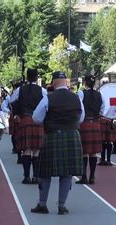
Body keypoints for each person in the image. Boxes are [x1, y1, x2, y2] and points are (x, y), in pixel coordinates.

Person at [30, 71, 85, 215]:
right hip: (72, 135)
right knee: (67, 173)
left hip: (53, 135)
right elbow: (81, 118)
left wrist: (50, 122)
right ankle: (62, 206)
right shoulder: (77, 97)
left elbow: (36, 118)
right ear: (66, 82)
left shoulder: (48, 98)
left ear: (53, 83)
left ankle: (42, 204)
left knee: (45, 172)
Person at [10, 69, 46, 184]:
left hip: (25, 120)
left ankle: (26, 177)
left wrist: (17, 113)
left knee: (26, 149)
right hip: (37, 121)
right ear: (36, 77)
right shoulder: (42, 90)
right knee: (36, 150)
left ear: (27, 77)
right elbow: (46, 105)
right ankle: (35, 176)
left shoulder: (20, 89)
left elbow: (11, 101)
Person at [76, 74, 104, 185]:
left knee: (84, 152)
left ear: (85, 83)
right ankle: (92, 177)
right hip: (95, 123)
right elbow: (103, 109)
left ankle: (84, 177)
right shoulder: (99, 95)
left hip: (84, 123)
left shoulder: (81, 93)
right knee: (93, 153)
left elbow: (78, 108)